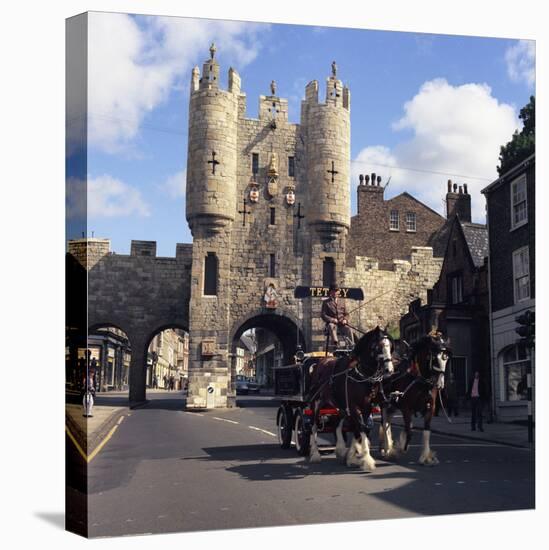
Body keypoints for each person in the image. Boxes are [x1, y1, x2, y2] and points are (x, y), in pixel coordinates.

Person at [321, 284, 354, 349]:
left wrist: (345, 320)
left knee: (349, 329)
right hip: (332, 325)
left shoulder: (342, 301)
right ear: (331, 292)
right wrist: (332, 320)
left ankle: (351, 346)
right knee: (331, 325)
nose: (336, 292)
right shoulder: (326, 302)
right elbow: (323, 315)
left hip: (342, 324)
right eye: (334, 291)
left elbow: (347, 314)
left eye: (337, 291)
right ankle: (336, 344)